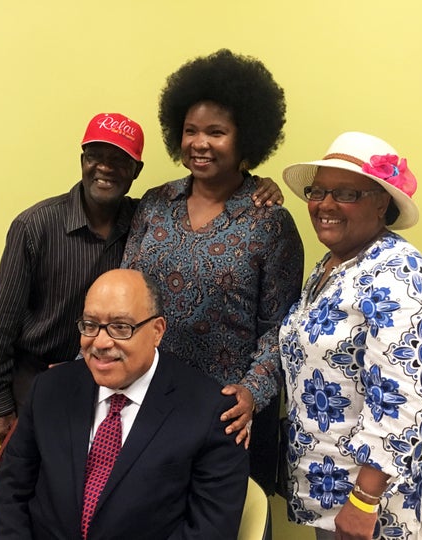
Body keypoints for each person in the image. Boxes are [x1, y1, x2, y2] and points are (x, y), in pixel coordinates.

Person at [0, 112, 284, 441]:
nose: (105, 168)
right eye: (95, 156)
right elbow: (2, 326)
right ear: (82, 160)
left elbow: (276, 325)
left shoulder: (144, 212)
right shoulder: (38, 226)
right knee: (33, 484)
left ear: (136, 171)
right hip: (45, 381)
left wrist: (256, 182)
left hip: (144, 391)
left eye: (119, 160)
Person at [122, 49, 304, 494]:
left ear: (247, 139)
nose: (199, 143)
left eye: (216, 132)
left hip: (225, 415)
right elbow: (125, 293)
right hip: (146, 402)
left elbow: (280, 330)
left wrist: (252, 393)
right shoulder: (155, 203)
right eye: (190, 131)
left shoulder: (270, 222)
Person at [278, 132, 422, 539]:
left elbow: (401, 400)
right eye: (318, 191)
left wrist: (363, 500)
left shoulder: (403, 277)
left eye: (345, 193)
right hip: (334, 489)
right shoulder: (334, 264)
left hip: (382, 505)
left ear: (382, 202)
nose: (324, 205)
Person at [0, 269, 249, 539]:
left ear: (157, 331)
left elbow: (209, 532)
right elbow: (9, 493)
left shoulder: (212, 412)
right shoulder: (49, 389)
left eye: (121, 327)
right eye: (90, 325)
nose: (100, 342)